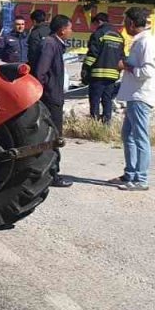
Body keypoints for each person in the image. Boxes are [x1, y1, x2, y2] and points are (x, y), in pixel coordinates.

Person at [114, 7, 155, 192]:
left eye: (125, 22)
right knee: (128, 135)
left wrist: (127, 66)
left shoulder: (147, 42)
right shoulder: (140, 41)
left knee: (140, 137)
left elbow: (147, 71)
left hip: (141, 96)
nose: (124, 26)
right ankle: (130, 173)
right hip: (134, 95)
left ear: (132, 23)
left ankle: (141, 179)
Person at [35, 15, 74, 188]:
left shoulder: (57, 44)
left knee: (55, 136)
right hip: (50, 98)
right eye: (70, 28)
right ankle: (52, 174)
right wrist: (44, 92)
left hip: (55, 96)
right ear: (62, 30)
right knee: (53, 137)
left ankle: (52, 172)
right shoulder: (50, 44)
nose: (71, 31)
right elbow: (41, 72)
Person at [82, 12, 125, 123]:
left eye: (94, 24)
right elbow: (121, 57)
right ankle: (107, 123)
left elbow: (92, 55)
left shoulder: (98, 34)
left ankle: (95, 123)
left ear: (99, 22)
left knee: (95, 100)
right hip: (112, 76)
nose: (93, 27)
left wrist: (85, 69)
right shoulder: (119, 36)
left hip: (98, 75)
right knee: (107, 100)